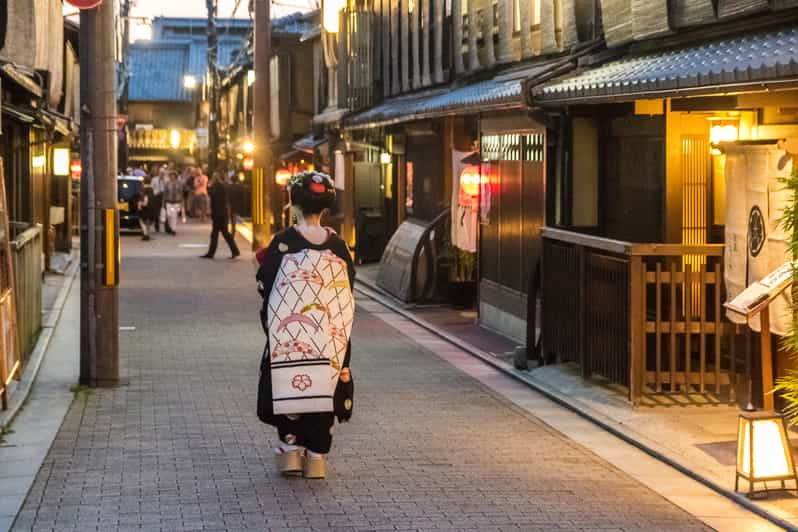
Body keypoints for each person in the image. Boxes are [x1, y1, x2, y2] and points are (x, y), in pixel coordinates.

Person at [255, 171, 355, 480]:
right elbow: (347, 291)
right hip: (329, 336)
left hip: (290, 336)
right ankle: (317, 456)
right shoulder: (338, 246)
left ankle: (290, 451)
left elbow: (265, 284)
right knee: (325, 389)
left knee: (288, 388)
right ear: (325, 206)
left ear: (293, 203)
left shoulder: (284, 242)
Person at [201, 173, 240, 259]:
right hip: (222, 213)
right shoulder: (224, 186)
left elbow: (211, 194)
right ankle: (234, 251)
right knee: (221, 234)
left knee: (219, 234)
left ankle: (212, 253)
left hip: (219, 214)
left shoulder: (217, 187)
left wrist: (209, 186)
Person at [163, 171, 183, 235]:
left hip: (176, 202)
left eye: (173, 176)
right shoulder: (167, 183)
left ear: (176, 176)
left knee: (174, 216)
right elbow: (165, 193)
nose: (172, 177)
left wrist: (182, 202)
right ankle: (170, 226)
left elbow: (181, 193)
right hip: (169, 201)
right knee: (169, 215)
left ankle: (173, 229)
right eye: (171, 176)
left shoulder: (179, 183)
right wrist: (163, 202)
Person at [150, 168, 165, 233]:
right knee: (156, 212)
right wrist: (156, 193)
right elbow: (151, 188)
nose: (162, 174)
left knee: (164, 212)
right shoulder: (154, 179)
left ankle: (167, 227)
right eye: (161, 173)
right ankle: (157, 226)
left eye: (163, 173)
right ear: (159, 173)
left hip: (164, 197)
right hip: (156, 197)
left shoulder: (166, 180)